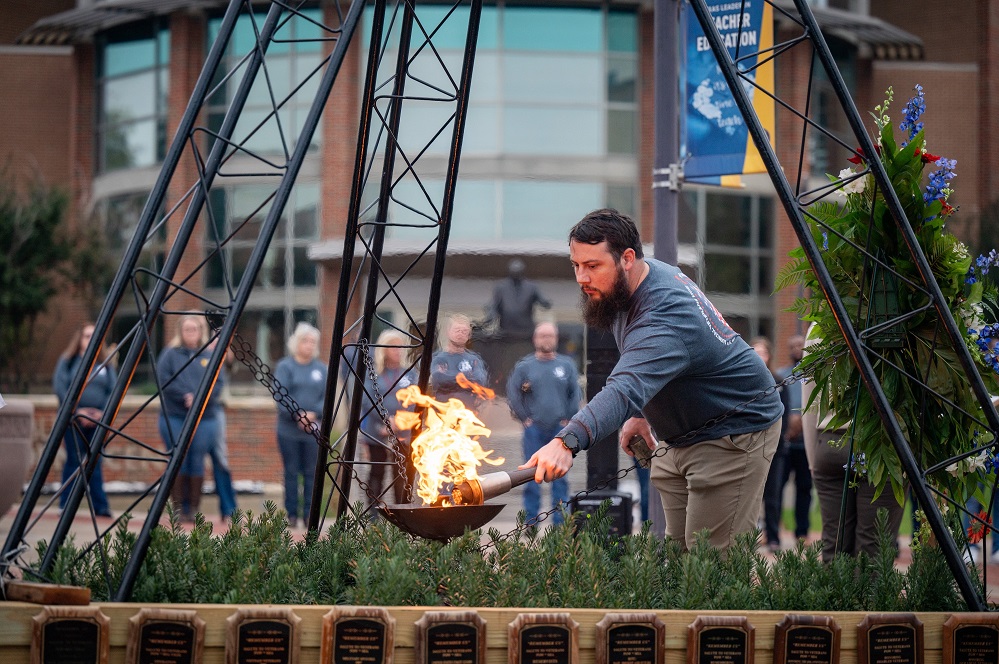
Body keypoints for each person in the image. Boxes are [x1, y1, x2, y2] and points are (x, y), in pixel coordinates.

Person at [521, 209, 783, 551]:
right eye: (576, 265)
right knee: (675, 558)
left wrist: (566, 442)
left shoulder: (663, 315)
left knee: (714, 564)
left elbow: (625, 386)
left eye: (593, 266)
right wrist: (642, 414)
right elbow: (651, 362)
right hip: (684, 433)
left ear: (627, 258)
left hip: (735, 432)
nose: (581, 277)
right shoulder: (634, 283)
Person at [801, 325, 903, 561]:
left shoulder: (821, 325)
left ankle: (834, 598)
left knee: (834, 547)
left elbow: (810, 398)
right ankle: (867, 599)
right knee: (873, 550)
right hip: (879, 444)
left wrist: (812, 457)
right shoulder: (893, 317)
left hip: (830, 442)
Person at [506, 322, 581, 525]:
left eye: (550, 336)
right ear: (535, 339)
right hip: (534, 429)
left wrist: (569, 419)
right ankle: (531, 523)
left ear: (556, 339)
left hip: (560, 430)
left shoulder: (566, 365)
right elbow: (513, 393)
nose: (546, 339)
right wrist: (525, 418)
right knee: (531, 477)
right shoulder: (524, 366)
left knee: (560, 478)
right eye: (542, 336)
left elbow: (575, 393)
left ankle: (560, 524)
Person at [157, 315, 225, 522]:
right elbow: (164, 380)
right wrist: (184, 396)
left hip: (205, 419)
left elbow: (218, 383)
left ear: (200, 331)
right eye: (187, 329)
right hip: (175, 416)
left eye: (194, 329)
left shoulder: (209, 355)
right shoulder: (170, 354)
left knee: (197, 461)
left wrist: (199, 398)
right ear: (180, 331)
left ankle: (193, 509)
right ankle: (177, 509)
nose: (191, 333)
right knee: (179, 459)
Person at [52, 323, 116, 517]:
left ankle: (101, 507)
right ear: (79, 339)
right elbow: (60, 388)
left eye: (94, 336)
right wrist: (79, 411)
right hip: (73, 421)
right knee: (74, 460)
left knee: (94, 461)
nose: (90, 339)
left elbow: (113, 391)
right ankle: (66, 506)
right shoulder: (68, 361)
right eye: (87, 336)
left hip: (98, 422)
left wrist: (100, 414)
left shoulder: (105, 363)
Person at [274, 322, 327, 526]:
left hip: (314, 431)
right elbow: (280, 395)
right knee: (291, 472)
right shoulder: (285, 367)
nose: (309, 345)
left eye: (313, 342)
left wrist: (314, 414)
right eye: (305, 341)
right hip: (289, 430)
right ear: (296, 342)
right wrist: (298, 415)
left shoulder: (321, 369)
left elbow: (327, 396)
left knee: (311, 472)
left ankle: (309, 514)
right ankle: (292, 514)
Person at [360, 329, 416, 506]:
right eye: (393, 347)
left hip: (403, 432)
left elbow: (416, 400)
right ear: (383, 349)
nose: (397, 350)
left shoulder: (410, 374)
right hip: (377, 431)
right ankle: (374, 515)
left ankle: (402, 512)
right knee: (377, 472)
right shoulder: (372, 373)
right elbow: (368, 400)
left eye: (400, 347)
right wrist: (386, 420)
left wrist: (399, 422)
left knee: (401, 474)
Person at [775, 335, 811, 546]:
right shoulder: (780, 375)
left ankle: (802, 532)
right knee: (778, 487)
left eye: (800, 345)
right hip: (786, 442)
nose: (797, 348)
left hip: (806, 444)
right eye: (793, 346)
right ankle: (776, 527)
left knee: (804, 488)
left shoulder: (813, 374)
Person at [751, 335, 785, 552]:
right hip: (751, 448)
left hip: (776, 451)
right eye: (754, 352)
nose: (759, 356)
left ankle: (773, 537)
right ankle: (750, 537)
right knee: (751, 498)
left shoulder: (779, 381)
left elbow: (785, 413)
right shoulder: (742, 381)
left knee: (772, 497)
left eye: (762, 352)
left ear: (769, 355)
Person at [430, 313, 489, 410]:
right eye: (457, 330)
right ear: (448, 332)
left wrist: (450, 377)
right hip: (443, 414)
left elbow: (480, 381)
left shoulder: (474, 360)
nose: (460, 334)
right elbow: (438, 379)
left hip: (468, 415)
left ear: (469, 336)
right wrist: (466, 379)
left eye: (464, 331)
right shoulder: (438, 359)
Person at [207, 337, 238, 522]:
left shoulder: (220, 358)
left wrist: (225, 353)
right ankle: (184, 510)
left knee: (220, 460)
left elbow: (230, 368)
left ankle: (229, 509)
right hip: (188, 409)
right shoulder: (189, 354)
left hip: (215, 409)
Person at [483, 259, 552, 339]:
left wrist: (546, 303)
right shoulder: (501, 288)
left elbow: (542, 301)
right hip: (506, 330)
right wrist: (491, 315)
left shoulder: (531, 287)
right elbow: (494, 305)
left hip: (526, 329)